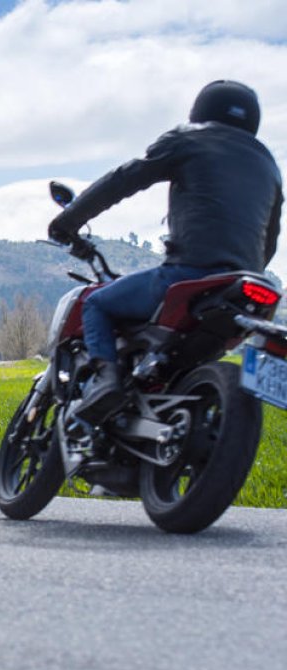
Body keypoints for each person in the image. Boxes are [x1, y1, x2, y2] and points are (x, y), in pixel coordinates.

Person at [48, 80, 282, 424]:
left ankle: (106, 382)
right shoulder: (269, 166)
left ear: (201, 110)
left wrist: (67, 221)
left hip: (191, 274)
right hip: (247, 290)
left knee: (96, 303)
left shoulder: (189, 138)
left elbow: (123, 179)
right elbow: (271, 239)